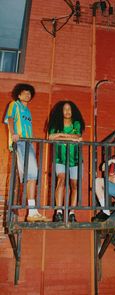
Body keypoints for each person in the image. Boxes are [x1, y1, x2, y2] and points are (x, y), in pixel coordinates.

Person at [4, 83, 48, 222]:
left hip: (29, 144)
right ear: (19, 94)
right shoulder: (14, 104)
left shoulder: (28, 111)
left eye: (30, 93)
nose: (28, 95)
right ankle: (31, 211)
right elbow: (10, 119)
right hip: (20, 142)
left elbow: (28, 127)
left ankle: (32, 212)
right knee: (29, 174)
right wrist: (13, 134)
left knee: (33, 175)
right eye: (25, 93)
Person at [47, 100, 85, 222]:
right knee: (61, 180)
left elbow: (78, 136)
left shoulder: (76, 123)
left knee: (74, 185)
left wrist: (60, 136)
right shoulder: (55, 123)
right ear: (60, 111)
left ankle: (71, 213)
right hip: (59, 157)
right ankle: (58, 211)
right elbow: (50, 137)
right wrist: (69, 137)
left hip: (76, 159)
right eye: (65, 109)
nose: (67, 111)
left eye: (69, 109)